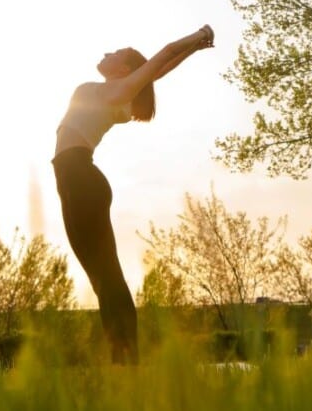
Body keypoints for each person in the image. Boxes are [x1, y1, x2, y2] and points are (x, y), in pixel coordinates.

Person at [52, 25, 214, 364]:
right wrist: (195, 49)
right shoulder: (115, 95)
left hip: (79, 179)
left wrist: (198, 36)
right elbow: (158, 70)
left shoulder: (114, 93)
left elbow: (162, 57)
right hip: (75, 180)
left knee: (106, 277)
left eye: (115, 53)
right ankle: (124, 359)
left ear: (124, 69)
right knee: (103, 277)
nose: (107, 53)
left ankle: (126, 361)